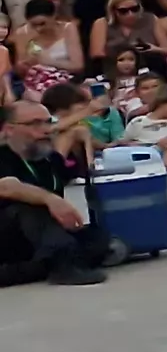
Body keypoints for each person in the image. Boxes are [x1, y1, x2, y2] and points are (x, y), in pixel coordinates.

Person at [0, 97, 119, 286]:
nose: (46, 129)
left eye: (48, 122)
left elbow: (82, 175)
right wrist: (49, 199)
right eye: (35, 124)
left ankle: (37, 267)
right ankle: (62, 267)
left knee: (98, 239)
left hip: (35, 240)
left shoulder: (49, 158)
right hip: (7, 235)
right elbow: (6, 186)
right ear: (9, 129)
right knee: (29, 207)